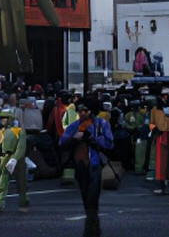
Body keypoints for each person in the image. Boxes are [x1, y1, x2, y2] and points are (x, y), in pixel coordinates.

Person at [59, 100, 113, 237]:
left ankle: (92, 228)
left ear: (91, 111)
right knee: (85, 196)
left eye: (85, 110)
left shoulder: (101, 124)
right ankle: (92, 226)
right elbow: (62, 142)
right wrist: (74, 139)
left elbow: (109, 143)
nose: (82, 113)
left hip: (95, 164)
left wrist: (93, 139)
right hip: (80, 165)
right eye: (80, 111)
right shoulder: (75, 126)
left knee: (92, 197)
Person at [0, 107, 28, 214]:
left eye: (5, 118)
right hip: (5, 158)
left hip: (17, 160)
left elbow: (21, 147)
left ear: (10, 118)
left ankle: (23, 201)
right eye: (1, 117)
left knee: (21, 183)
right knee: (2, 181)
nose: (2, 119)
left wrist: (15, 159)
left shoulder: (19, 131)